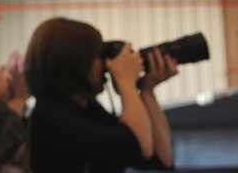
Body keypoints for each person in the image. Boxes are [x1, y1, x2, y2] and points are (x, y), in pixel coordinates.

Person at [24, 17, 178, 173]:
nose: (106, 62)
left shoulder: (85, 109)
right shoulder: (52, 119)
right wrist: (127, 83)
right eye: (98, 54)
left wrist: (146, 91)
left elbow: (161, 158)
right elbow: (138, 146)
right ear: (76, 60)